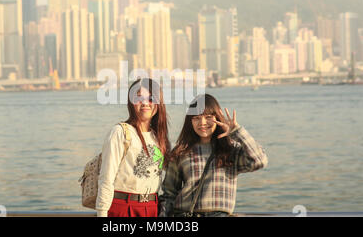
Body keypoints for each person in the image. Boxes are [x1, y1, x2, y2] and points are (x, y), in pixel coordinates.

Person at [159, 94, 268, 217]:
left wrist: (237, 131)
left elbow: (259, 161)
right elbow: (169, 193)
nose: (202, 123)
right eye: (196, 118)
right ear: (190, 121)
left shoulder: (230, 150)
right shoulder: (181, 152)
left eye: (208, 117)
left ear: (217, 118)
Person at [96, 78, 171, 217]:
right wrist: (102, 213)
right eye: (139, 98)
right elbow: (106, 178)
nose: (145, 103)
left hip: (153, 208)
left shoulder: (159, 136)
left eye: (151, 98)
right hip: (124, 208)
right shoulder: (120, 132)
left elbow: (175, 169)